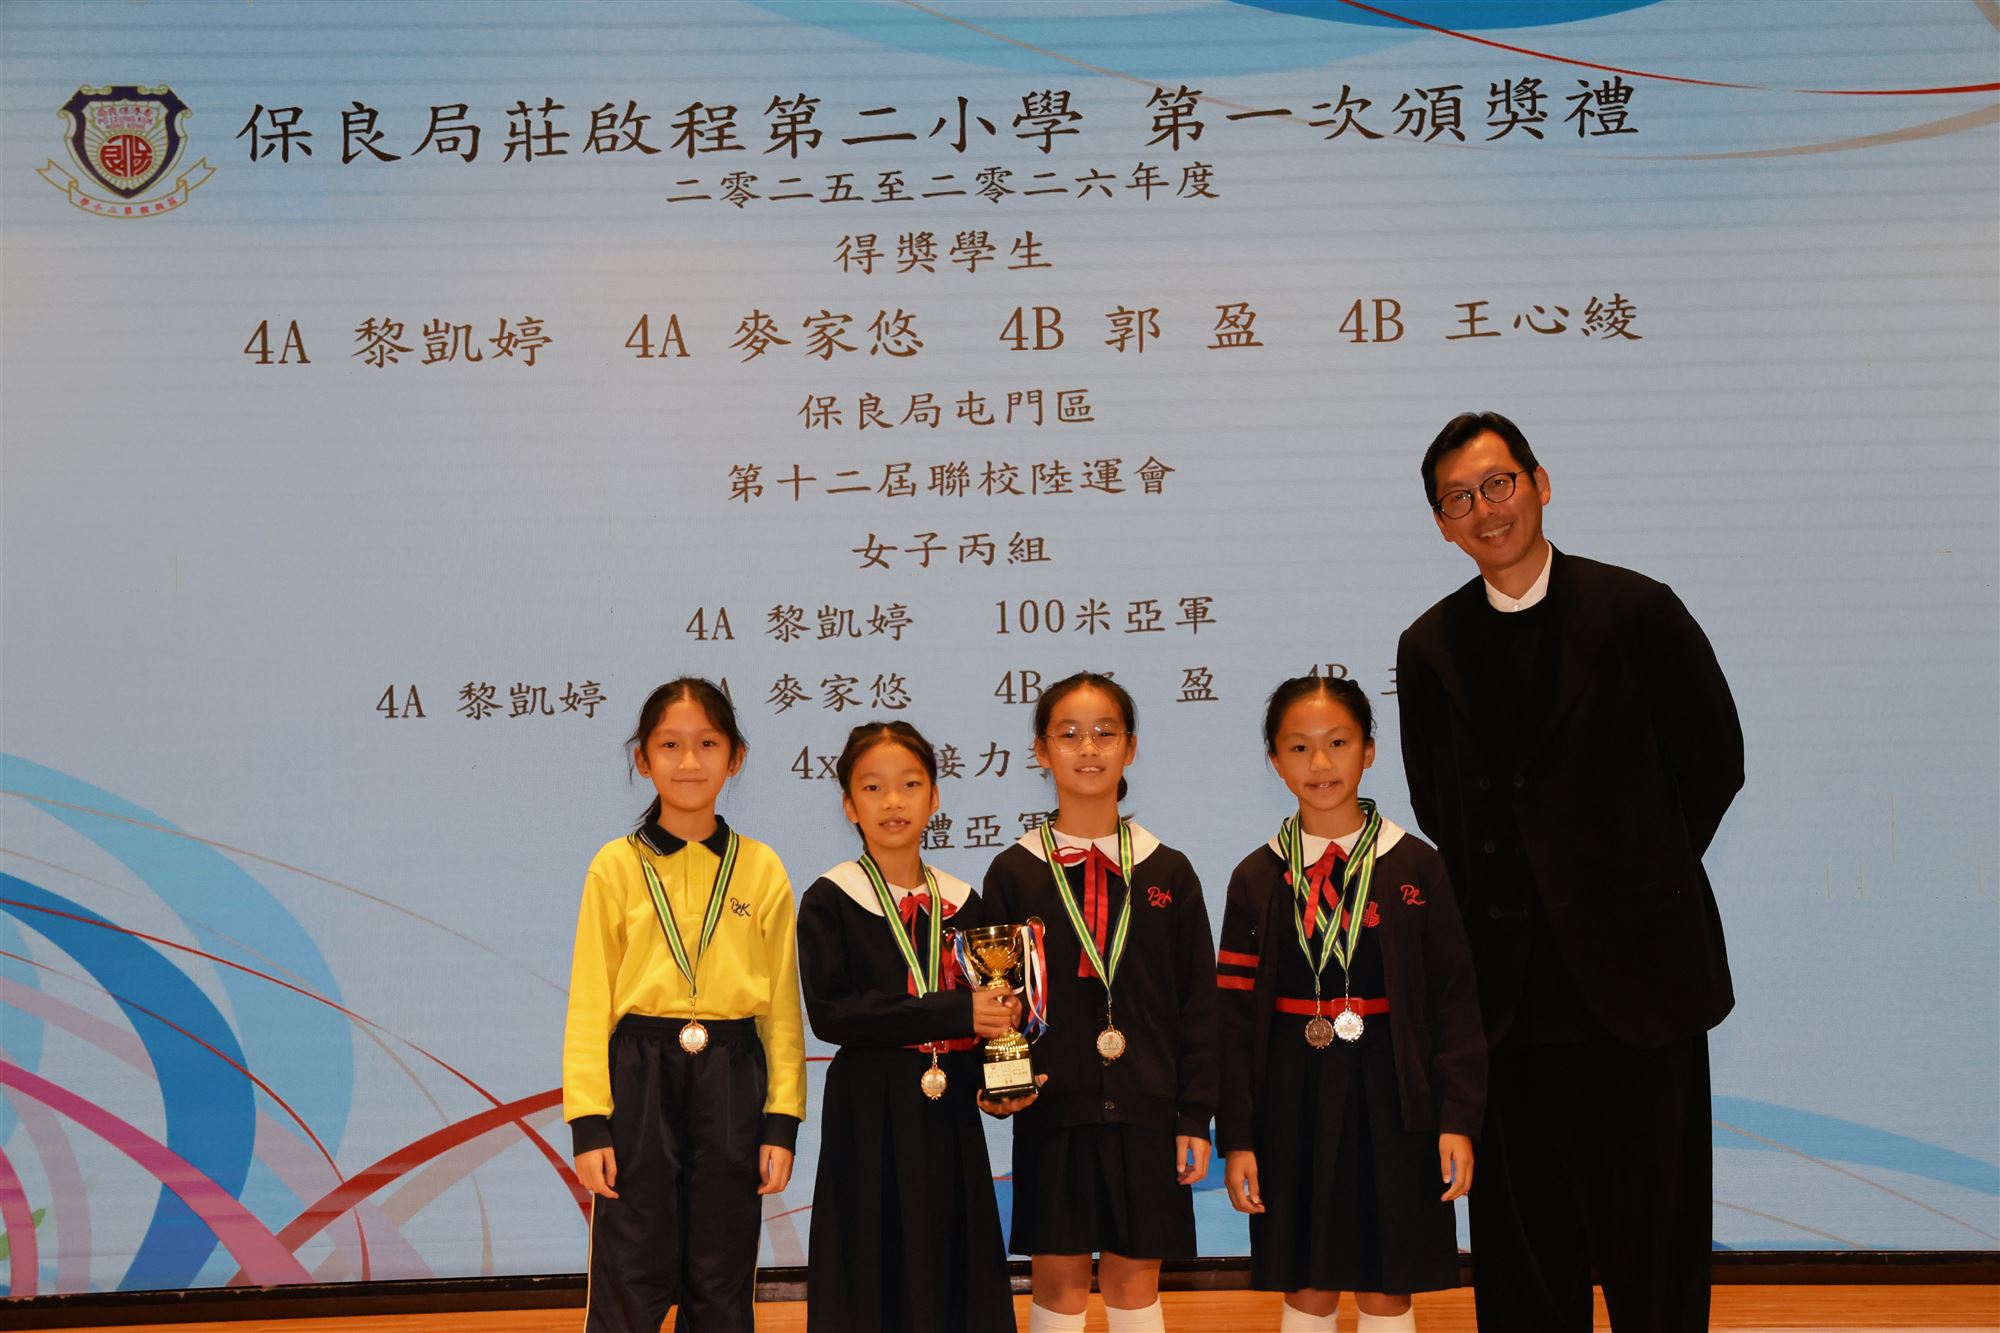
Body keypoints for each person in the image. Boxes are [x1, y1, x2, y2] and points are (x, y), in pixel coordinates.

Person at [1395, 412, 1743, 1332]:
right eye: (1459, 499)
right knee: (1523, 1259)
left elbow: (1714, 759)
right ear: (1443, 525)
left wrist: (1632, 878)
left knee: (1654, 1249)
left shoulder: (1637, 611)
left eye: (1498, 484)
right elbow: (1438, 803)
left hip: (1641, 987)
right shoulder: (1428, 647)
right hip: (1506, 998)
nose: (1485, 510)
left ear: (1540, 483)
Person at [1216, 674, 1484, 1333]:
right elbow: (1233, 1021)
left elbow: (1454, 1005)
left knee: (1388, 1285)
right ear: (1275, 762)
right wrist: (1239, 1139)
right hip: (1291, 1102)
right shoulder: (1257, 876)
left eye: (1338, 742)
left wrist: (1457, 1118)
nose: (1320, 762)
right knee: (1306, 1284)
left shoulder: (1417, 866)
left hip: (1397, 1099)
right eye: (1299, 747)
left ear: (1369, 750)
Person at [563, 678, 807, 1333]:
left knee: (721, 1270)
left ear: (736, 757)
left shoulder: (761, 868)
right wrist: (589, 1122)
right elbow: (589, 1001)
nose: (689, 761)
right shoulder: (615, 866)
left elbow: (782, 1009)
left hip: (733, 1072)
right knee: (631, 1267)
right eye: (670, 745)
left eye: (707, 744)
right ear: (642, 759)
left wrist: (782, 1119)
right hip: (638, 1072)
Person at [983, 672, 1219, 1333]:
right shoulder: (1014, 871)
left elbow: (1198, 1004)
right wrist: (1000, 1082)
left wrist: (1193, 1115)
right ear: (1041, 751)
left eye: (1105, 733)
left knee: (1135, 1281)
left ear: (1130, 747)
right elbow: (994, 1002)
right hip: (1052, 1110)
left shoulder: (1168, 869)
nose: (1088, 748)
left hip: (1148, 1110)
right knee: (1058, 1283)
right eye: (1069, 734)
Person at [797, 720, 1036, 1333]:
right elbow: (832, 1013)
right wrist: (958, 1012)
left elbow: (990, 1012)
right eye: (872, 787)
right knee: (870, 1270)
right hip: (867, 1109)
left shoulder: (964, 903)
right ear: (849, 804)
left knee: (953, 1267)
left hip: (948, 1108)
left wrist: (997, 1080)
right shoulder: (830, 898)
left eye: (909, 784)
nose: (893, 801)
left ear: (935, 797)